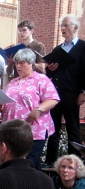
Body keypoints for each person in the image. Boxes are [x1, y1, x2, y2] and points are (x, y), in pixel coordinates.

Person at [0, 48, 60, 170]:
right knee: (12, 164)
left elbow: (53, 99)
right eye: (16, 63)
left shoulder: (41, 79)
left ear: (31, 63)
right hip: (12, 130)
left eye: (22, 63)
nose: (18, 66)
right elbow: (9, 102)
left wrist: (39, 109)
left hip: (32, 130)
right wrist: (0, 107)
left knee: (31, 164)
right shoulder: (12, 82)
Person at [45, 14, 85, 165]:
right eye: (61, 25)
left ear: (75, 28)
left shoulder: (82, 46)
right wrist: (50, 69)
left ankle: (74, 161)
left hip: (72, 92)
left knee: (72, 128)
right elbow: (50, 73)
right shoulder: (58, 49)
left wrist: (83, 92)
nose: (62, 28)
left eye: (66, 25)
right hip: (56, 92)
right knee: (53, 128)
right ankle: (51, 161)